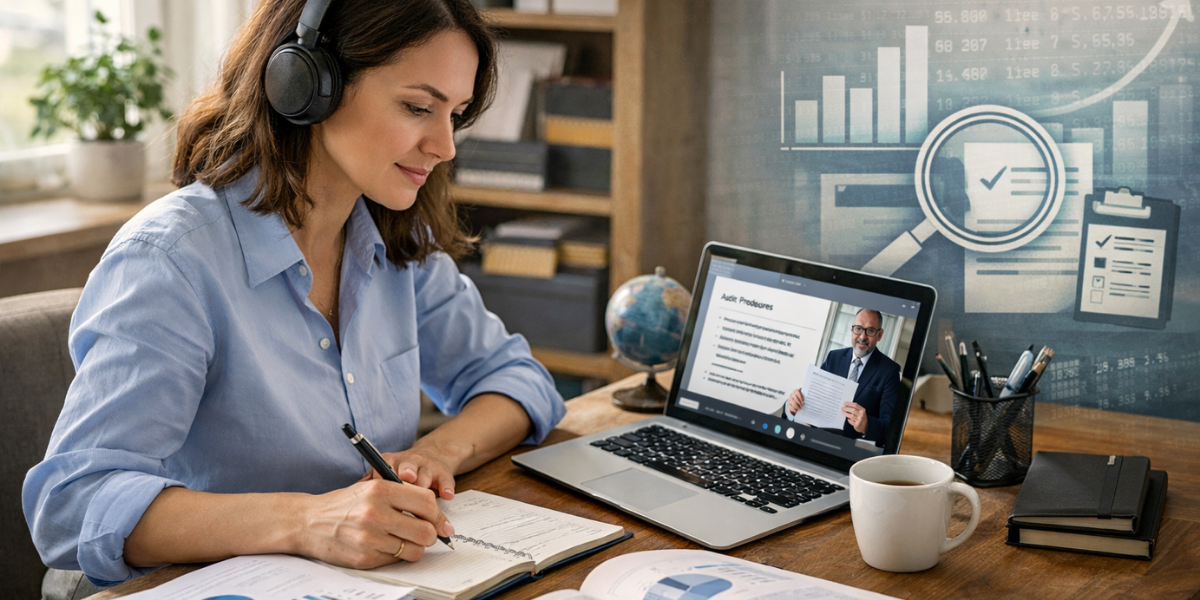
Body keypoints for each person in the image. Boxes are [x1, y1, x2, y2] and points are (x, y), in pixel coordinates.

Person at [23, 0, 565, 587]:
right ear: (306, 83)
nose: (445, 145)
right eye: (417, 107)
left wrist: (437, 454)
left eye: (454, 114)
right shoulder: (171, 260)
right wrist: (309, 520)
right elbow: (72, 507)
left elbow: (518, 380)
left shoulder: (394, 237)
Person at [780, 308, 899, 445]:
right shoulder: (834, 357)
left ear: (880, 335)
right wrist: (792, 406)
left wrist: (866, 425)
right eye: (858, 329)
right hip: (814, 441)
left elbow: (890, 429)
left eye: (870, 330)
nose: (862, 336)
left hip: (851, 451)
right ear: (852, 329)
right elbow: (812, 401)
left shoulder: (890, 371)